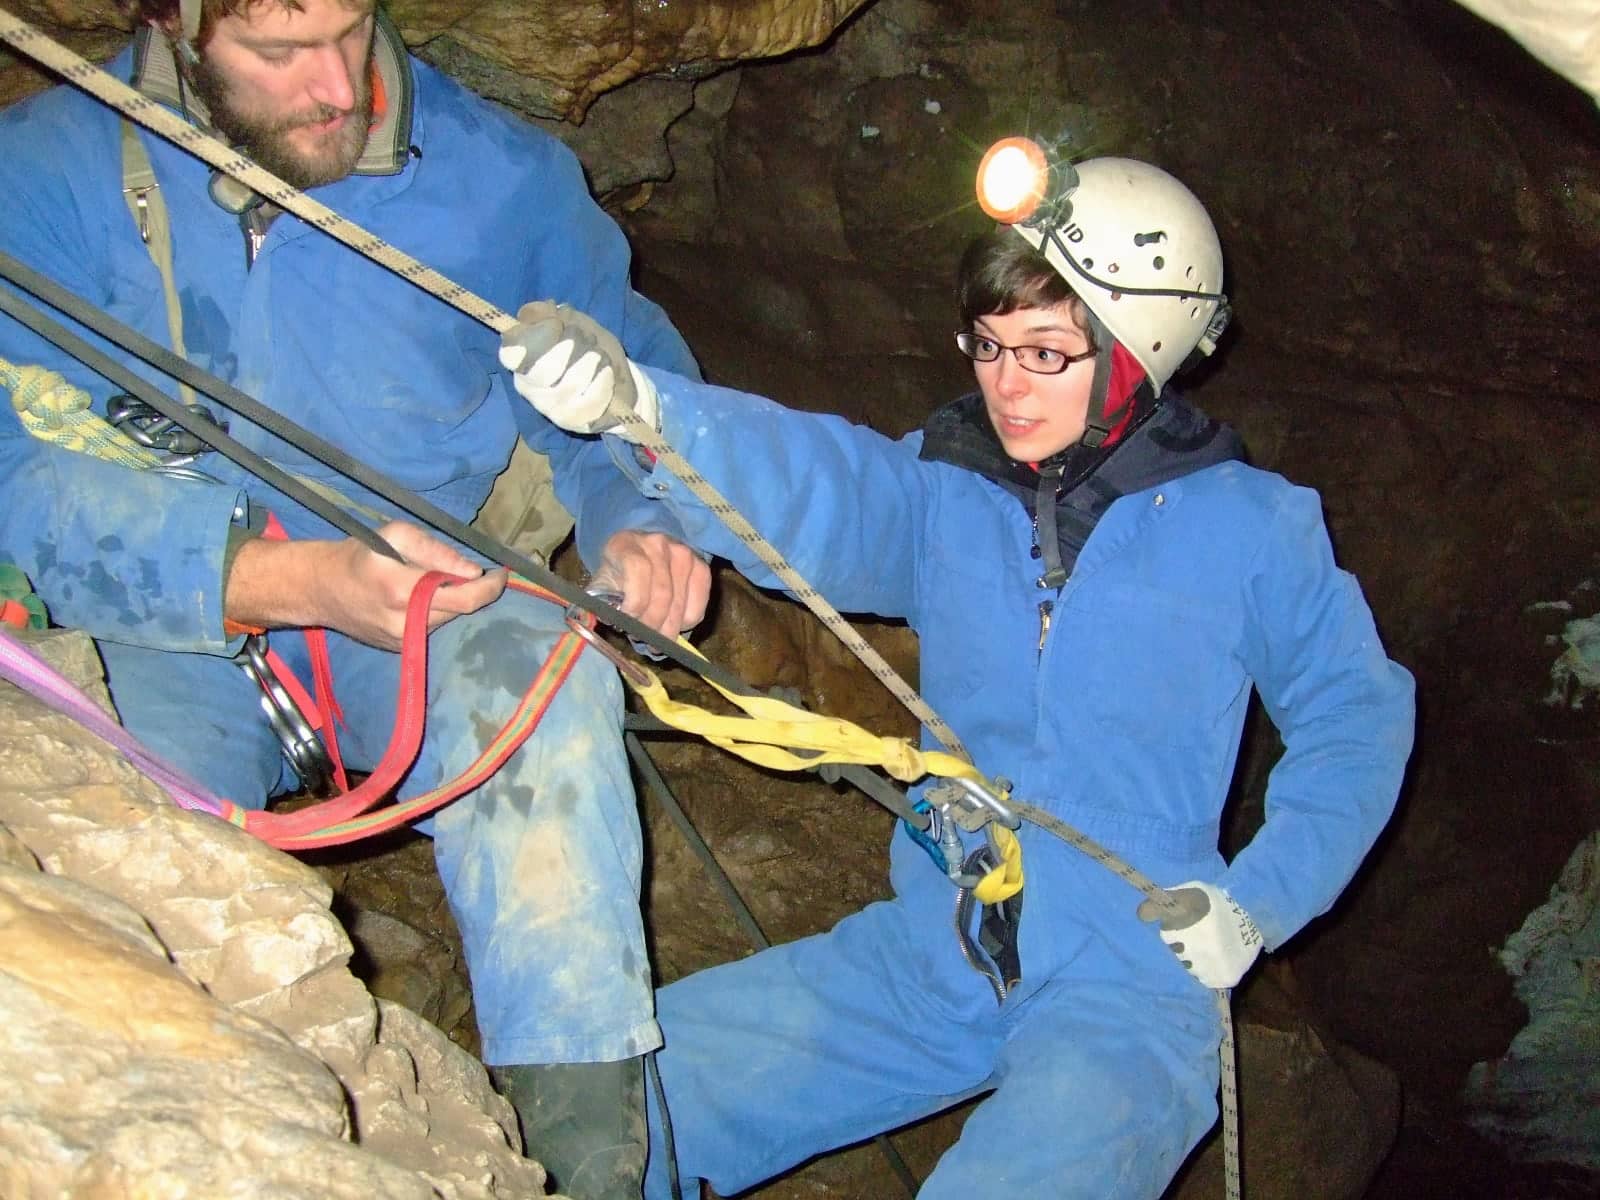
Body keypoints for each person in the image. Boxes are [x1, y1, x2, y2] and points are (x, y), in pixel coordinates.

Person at [499, 149, 1417, 1197]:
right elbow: (827, 487)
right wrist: (645, 411)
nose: (1004, 384)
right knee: (621, 1108)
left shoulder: (1253, 527)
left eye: (1045, 353)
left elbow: (1354, 717)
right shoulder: (949, 490)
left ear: (1139, 354)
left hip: (1130, 987)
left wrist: (1258, 903)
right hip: (941, 943)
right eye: (987, 346)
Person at [0, 2, 710, 1196]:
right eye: (278, 55)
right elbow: (13, 476)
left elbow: (621, 388)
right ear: (172, 24)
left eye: (351, 29)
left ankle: (593, 1165)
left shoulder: (503, 181)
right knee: (124, 889)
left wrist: (647, 515)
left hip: (429, 600)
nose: (340, 87)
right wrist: (273, 581)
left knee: (546, 726)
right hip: (151, 621)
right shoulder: (43, 180)